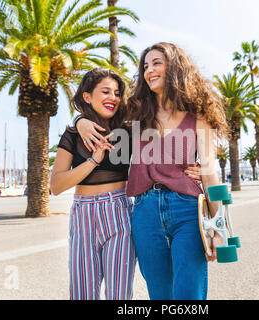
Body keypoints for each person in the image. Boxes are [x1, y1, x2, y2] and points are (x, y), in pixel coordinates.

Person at [76, 42, 229, 300]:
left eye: (157, 63)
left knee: (188, 292)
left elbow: (210, 171)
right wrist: (80, 121)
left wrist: (219, 227)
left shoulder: (198, 114)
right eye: (146, 66)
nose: (149, 71)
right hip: (145, 212)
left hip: (187, 210)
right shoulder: (136, 110)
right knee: (160, 294)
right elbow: (100, 109)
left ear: (175, 66)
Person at [51, 68, 200, 300]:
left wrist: (194, 165)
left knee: (120, 296)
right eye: (106, 91)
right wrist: (92, 157)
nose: (113, 97)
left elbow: (166, 130)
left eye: (117, 93)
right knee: (82, 294)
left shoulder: (130, 130)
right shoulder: (72, 134)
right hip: (83, 214)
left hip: (118, 211)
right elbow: (56, 185)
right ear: (87, 96)